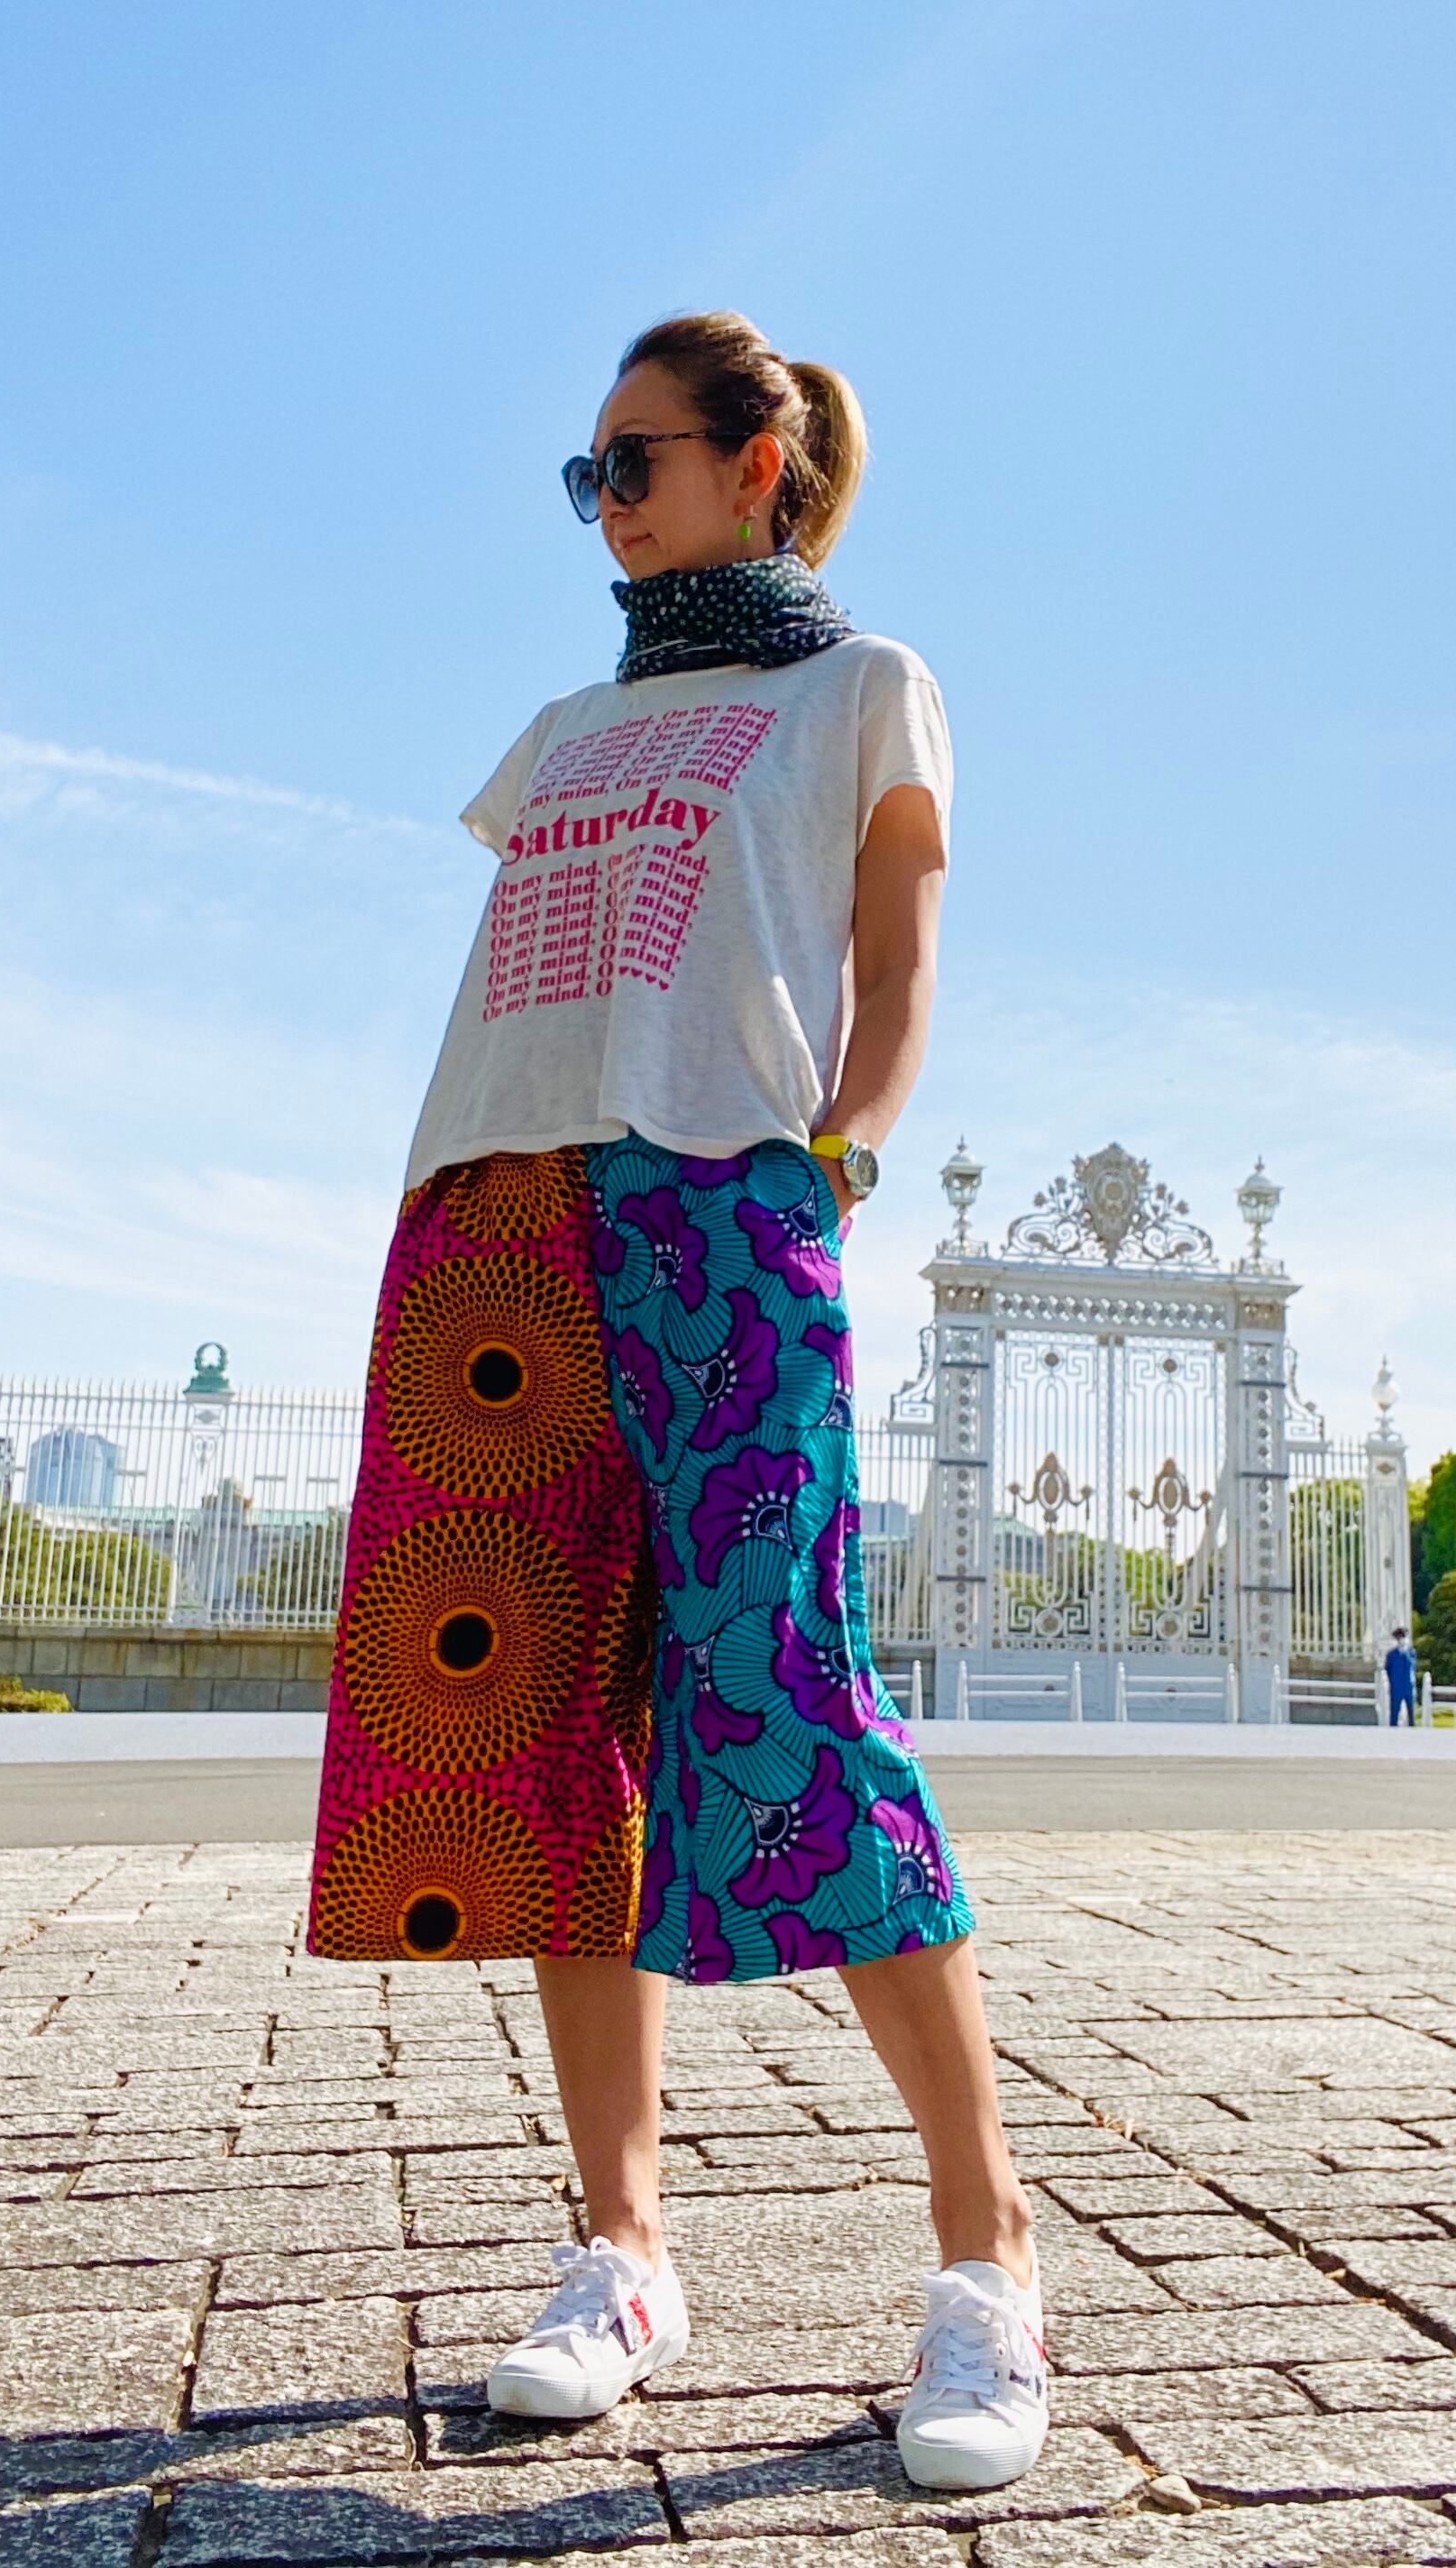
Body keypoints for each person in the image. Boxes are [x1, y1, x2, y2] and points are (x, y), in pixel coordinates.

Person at [304, 312, 1045, 2490]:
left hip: (725, 1194)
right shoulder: (561, 733)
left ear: (760, 460)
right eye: (588, 474)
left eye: (633, 461)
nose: (605, 504)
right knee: (545, 1716)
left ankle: (989, 2252)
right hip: (495, 1208)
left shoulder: (862, 684)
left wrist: (845, 1152)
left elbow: (897, 958)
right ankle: (623, 2246)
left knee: (791, 1691)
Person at [1384, 1627, 1417, 1727]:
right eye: (1399, 1638)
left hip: (1408, 1686)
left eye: (1403, 1637)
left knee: (1411, 1712)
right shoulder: (1391, 1655)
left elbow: (1413, 1667)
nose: (1401, 1640)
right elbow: (1388, 1669)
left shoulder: (1411, 1652)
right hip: (1396, 1687)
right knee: (1394, 1713)